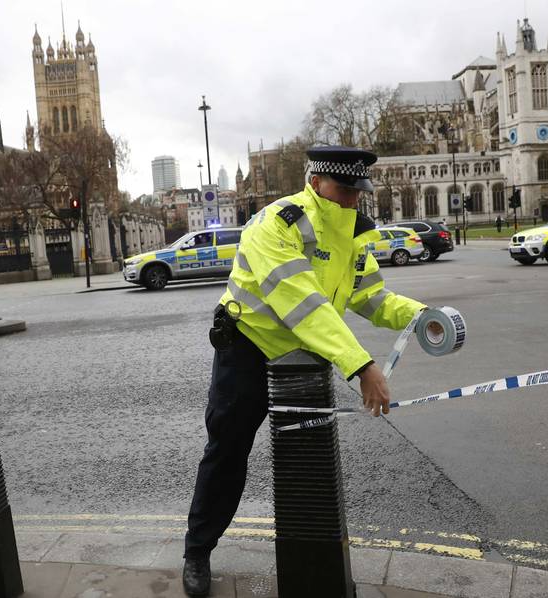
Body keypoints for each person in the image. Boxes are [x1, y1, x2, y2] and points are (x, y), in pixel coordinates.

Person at [182, 146, 430, 597]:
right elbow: (303, 302)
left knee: (305, 464)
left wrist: (422, 316)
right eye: (344, 189)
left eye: (359, 192)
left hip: (303, 362)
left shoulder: (353, 236)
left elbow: (373, 298)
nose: (352, 200)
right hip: (248, 351)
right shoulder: (277, 222)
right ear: (316, 182)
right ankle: (197, 550)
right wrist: (361, 366)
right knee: (228, 452)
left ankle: (309, 559)